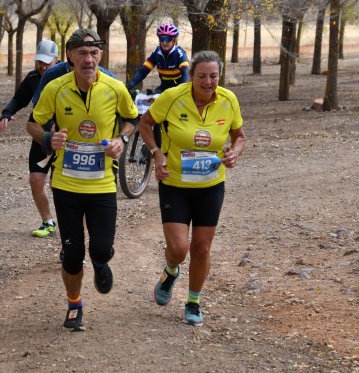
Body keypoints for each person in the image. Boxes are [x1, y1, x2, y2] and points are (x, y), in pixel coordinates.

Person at [26, 29, 139, 332]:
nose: (88, 60)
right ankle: (74, 304)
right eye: (82, 53)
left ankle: (101, 264)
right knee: (73, 255)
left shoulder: (115, 88)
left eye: (94, 53)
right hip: (66, 185)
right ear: (70, 56)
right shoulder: (55, 87)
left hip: (102, 185)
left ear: (101, 55)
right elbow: (32, 124)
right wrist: (49, 137)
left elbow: (132, 119)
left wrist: (121, 140)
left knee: (100, 249)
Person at [138, 50, 246, 326]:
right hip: (175, 184)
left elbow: (239, 136)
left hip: (210, 185)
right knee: (178, 248)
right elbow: (146, 124)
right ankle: (170, 271)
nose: (208, 82)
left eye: (213, 76)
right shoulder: (172, 97)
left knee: (201, 248)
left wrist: (234, 152)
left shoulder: (228, 100)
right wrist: (156, 153)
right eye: (202, 76)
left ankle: (194, 300)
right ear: (191, 76)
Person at [0, 39, 60, 238]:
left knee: (60, 185)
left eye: (47, 62)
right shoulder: (33, 77)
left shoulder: (68, 76)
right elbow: (20, 98)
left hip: (65, 138)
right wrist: (7, 112)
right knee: (35, 179)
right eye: (40, 62)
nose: (43, 66)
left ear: (57, 59)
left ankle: (70, 222)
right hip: (41, 136)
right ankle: (47, 221)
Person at [126, 23, 190, 94]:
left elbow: (186, 72)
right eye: (162, 39)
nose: (164, 42)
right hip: (164, 87)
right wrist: (130, 85)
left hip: (179, 87)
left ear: (173, 40)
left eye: (168, 39)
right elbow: (143, 71)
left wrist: (181, 90)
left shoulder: (179, 53)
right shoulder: (157, 53)